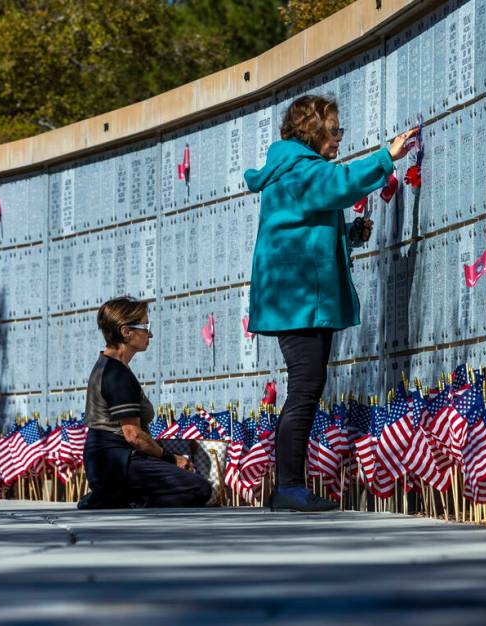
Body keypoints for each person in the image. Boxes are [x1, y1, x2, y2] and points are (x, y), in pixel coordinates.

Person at [244, 95, 417, 512]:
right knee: (305, 388)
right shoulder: (302, 171)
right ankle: (288, 486)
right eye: (335, 130)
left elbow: (307, 228)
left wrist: (351, 235)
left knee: (306, 386)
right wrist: (385, 158)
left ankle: (288, 485)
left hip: (295, 297)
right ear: (314, 131)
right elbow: (338, 186)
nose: (339, 138)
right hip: (299, 300)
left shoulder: (291, 170)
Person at [78, 296, 213, 509]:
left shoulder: (107, 366)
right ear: (126, 331)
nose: (150, 333)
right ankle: (120, 500)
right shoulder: (117, 374)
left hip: (106, 463)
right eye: (145, 326)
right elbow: (133, 435)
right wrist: (172, 459)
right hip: (119, 463)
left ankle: (112, 496)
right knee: (199, 489)